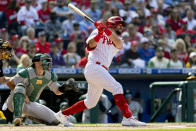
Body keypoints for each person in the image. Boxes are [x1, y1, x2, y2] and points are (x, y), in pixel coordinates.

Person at [55, 16, 146, 126]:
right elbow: (90, 46)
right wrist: (99, 33)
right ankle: (127, 117)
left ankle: (63, 114)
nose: (122, 27)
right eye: (119, 25)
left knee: (91, 102)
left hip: (101, 70)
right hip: (94, 67)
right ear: (112, 24)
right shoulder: (96, 31)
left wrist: (106, 31)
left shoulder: (117, 38)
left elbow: (119, 45)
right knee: (117, 87)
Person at [0, 53, 78, 126]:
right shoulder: (26, 72)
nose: (47, 63)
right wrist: (24, 94)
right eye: (44, 61)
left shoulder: (48, 75)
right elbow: (10, 82)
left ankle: (26, 115)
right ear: (36, 63)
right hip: (13, 102)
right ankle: (17, 117)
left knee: (54, 120)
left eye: (48, 61)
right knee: (20, 87)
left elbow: (57, 91)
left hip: (30, 103)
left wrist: (65, 87)